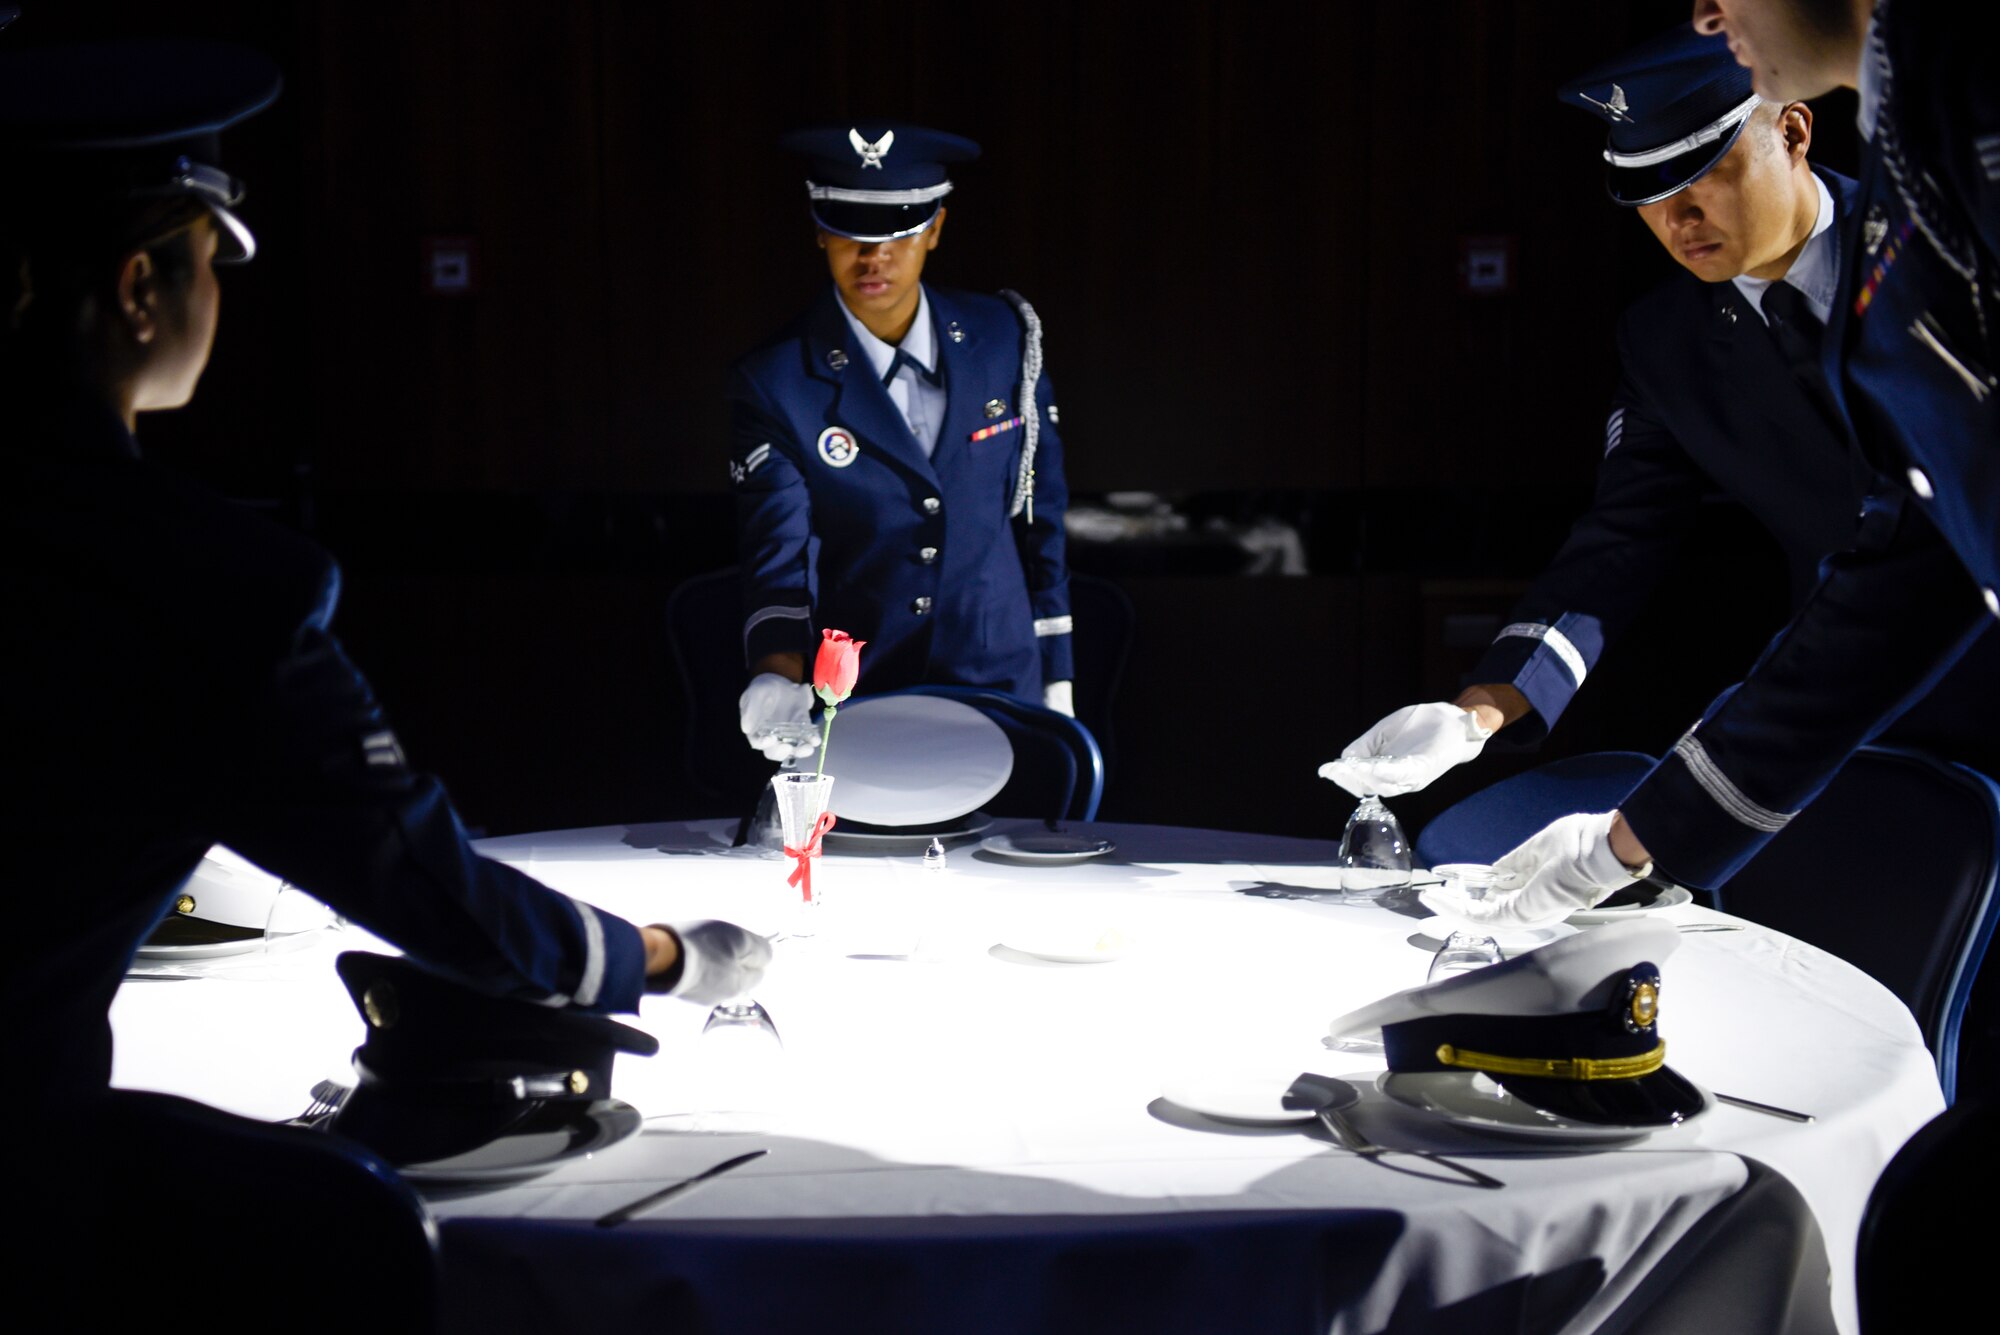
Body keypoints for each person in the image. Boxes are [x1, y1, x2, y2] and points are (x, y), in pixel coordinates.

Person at [1, 36, 767, 1317]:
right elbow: (424, 885)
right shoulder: (200, 585)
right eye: (210, 262)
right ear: (143, 288)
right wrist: (660, 958)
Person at [1430, 0, 1999, 925]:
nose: (1677, 217)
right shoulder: (1667, 342)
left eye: (1704, 175)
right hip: (1835, 717)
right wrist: (1486, 710)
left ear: (1794, 129)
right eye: (1646, 196)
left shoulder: (1927, 206)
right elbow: (1621, 539)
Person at [727, 123, 1073, 763]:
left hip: (998, 678)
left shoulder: (1004, 337)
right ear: (820, 230)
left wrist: (1059, 674)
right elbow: (779, 552)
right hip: (862, 688)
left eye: (899, 233)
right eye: (851, 233)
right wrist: (776, 672)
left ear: (936, 229)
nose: (873, 258)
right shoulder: (776, 381)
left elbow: (1038, 520)